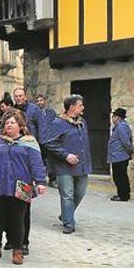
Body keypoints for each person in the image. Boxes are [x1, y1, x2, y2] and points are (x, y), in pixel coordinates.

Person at [0, 109, 47, 264]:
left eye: (12, 122)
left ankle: (18, 250)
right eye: (6, 122)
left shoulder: (29, 142)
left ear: (20, 126)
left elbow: (36, 163)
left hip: (23, 186)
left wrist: (40, 181)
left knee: (18, 218)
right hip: (0, 184)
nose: (9, 125)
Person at [42, 94, 91, 234]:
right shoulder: (58, 123)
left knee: (80, 193)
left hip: (81, 165)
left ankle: (65, 214)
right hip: (64, 167)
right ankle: (69, 224)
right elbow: (49, 142)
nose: (83, 107)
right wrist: (66, 155)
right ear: (71, 107)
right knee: (67, 195)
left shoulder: (82, 122)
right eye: (80, 105)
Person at [107, 108, 134, 202]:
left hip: (120, 156)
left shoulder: (121, 127)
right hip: (117, 156)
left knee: (120, 176)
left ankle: (123, 195)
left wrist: (131, 151)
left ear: (117, 117)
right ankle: (122, 194)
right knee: (119, 176)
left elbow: (126, 142)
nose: (112, 119)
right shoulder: (119, 126)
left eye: (113, 117)